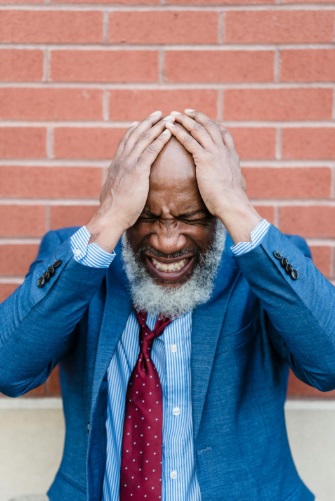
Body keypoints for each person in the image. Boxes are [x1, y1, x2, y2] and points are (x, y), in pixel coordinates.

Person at [1, 109, 335, 501]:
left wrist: (237, 206)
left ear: (217, 213)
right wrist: (108, 218)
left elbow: (327, 365)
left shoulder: (264, 264)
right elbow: (9, 369)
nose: (167, 241)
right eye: (145, 217)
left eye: (190, 217)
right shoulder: (82, 258)